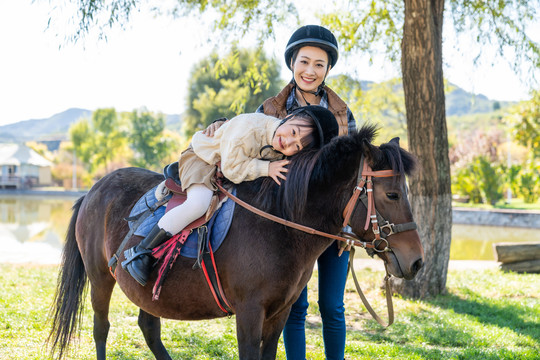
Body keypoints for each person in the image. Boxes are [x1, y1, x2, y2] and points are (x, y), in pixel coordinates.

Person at [204, 25, 356, 360]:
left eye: (319, 64)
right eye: (304, 61)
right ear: (292, 63)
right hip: (286, 228)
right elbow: (247, 142)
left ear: (328, 69)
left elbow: (350, 171)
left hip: (332, 222)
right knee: (293, 306)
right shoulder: (270, 109)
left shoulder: (343, 114)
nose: (310, 70)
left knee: (333, 306)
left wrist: (347, 223)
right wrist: (221, 124)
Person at [121, 105, 339, 287]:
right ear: (289, 117)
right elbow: (232, 168)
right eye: (293, 133)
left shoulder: (277, 141)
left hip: (225, 164)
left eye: (297, 146)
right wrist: (267, 169)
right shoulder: (249, 130)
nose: (288, 143)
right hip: (203, 158)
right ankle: (140, 251)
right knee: (199, 203)